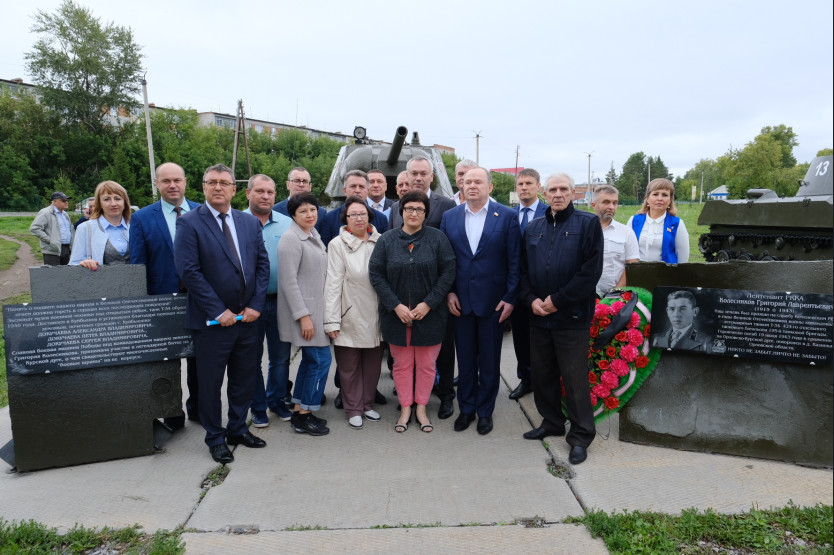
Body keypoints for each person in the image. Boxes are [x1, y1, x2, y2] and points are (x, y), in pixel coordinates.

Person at [174, 163, 270, 464]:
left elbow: (262, 266)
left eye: (224, 183)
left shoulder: (249, 223)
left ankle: (238, 428)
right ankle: (215, 437)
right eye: (212, 182)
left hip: (247, 319)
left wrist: (255, 305)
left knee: (244, 379)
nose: (218, 187)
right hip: (212, 322)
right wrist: (219, 310)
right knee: (210, 384)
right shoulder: (189, 222)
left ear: (233, 189)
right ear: (203, 187)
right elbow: (189, 272)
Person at [519, 172, 603, 465]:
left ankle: (580, 436)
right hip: (539, 315)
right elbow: (523, 271)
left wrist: (557, 301)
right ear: (544, 193)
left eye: (563, 189)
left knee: (574, 377)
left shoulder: (587, 223)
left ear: (572, 193)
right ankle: (551, 422)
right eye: (552, 189)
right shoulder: (534, 227)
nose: (557, 193)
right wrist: (532, 300)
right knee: (542, 374)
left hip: (572, 316)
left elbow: (590, 272)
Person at [441, 167, 520, 436]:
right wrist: (449, 292)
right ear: (460, 186)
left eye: (478, 181)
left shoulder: (507, 217)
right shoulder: (449, 217)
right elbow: (446, 261)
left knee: (488, 361)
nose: (471, 185)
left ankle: (485, 411)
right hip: (460, 302)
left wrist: (510, 297)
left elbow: (514, 261)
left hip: (493, 303)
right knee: (464, 360)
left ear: (490, 186)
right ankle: (466, 409)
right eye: (467, 181)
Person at [369, 191, 456, 433]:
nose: (414, 213)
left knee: (427, 365)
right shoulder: (386, 240)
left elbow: (448, 271)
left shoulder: (438, 239)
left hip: (431, 315)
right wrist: (395, 305)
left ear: (426, 214)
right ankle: (406, 407)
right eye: (409, 209)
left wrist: (428, 303)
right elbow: (376, 274)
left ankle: (421, 407)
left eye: (419, 209)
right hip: (396, 316)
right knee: (402, 365)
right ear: (401, 211)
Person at [130, 162, 201, 430]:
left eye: (177, 180)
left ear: (185, 182)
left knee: (199, 359)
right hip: (162, 300)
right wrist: (144, 305)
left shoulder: (202, 211)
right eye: (166, 181)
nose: (173, 185)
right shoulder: (143, 218)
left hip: (200, 299)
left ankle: (198, 409)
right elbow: (138, 264)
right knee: (168, 359)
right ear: (157, 184)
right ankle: (173, 413)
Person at [389, 156, 458, 420]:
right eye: (414, 173)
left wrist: (444, 292)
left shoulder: (447, 205)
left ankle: (446, 395)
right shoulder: (397, 207)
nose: (418, 177)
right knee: (405, 353)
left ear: (432, 176)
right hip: (402, 295)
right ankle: (410, 399)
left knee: (439, 352)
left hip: (435, 295)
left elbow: (451, 252)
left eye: (423, 173)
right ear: (406, 176)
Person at [324, 196, 384, 429]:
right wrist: (331, 320)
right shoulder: (337, 245)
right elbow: (332, 284)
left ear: (369, 216)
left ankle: (368, 404)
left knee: (373, 365)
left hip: (377, 314)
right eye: (353, 214)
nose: (359, 218)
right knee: (349, 367)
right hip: (349, 313)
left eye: (362, 213)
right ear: (345, 219)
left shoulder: (381, 241)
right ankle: (353, 408)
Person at [277, 192, 332, 436]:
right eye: (303, 211)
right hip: (306, 313)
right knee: (320, 361)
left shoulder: (313, 234)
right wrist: (303, 316)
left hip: (317, 311)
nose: (310, 215)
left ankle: (300, 408)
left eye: (313, 209)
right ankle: (304, 415)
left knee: (312, 362)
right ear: (293, 215)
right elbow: (288, 282)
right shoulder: (291, 239)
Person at [243, 174, 294, 426]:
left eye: (270, 192)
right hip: (248, 304)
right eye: (260, 191)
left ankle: (277, 401)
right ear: (247, 193)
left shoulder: (288, 224)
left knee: (280, 357)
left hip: (281, 301)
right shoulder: (235, 222)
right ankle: (258, 406)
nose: (265, 196)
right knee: (251, 359)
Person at [509, 168, 548, 401]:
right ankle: (526, 378)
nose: (524, 188)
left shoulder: (549, 211)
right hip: (518, 287)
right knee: (521, 337)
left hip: (542, 287)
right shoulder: (508, 214)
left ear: (538, 186)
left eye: (529, 183)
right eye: (521, 184)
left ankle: (544, 381)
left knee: (543, 339)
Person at [70, 181, 131, 270]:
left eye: (117, 198)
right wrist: (83, 263)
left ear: (125, 202)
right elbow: (73, 264)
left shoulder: (135, 226)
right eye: (107, 199)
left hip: (134, 282)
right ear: (100, 204)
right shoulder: (85, 228)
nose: (113, 203)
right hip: (100, 282)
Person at [627, 178, 689, 263]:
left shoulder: (677, 224)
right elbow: (626, 250)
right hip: (638, 273)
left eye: (665, 195)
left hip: (666, 274)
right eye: (655, 194)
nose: (660, 198)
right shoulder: (634, 221)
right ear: (647, 198)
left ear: (670, 200)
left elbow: (683, 258)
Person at [319, 170, 388, 246]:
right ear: (345, 190)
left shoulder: (381, 219)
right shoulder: (330, 218)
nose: (357, 190)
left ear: (367, 190)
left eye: (361, 187)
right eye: (353, 186)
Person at [593, 184, 639, 297]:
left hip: (616, 297)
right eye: (606, 202)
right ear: (594, 205)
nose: (611, 207)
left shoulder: (626, 233)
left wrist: (614, 294)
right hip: (586, 296)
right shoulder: (582, 230)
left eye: (615, 203)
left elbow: (631, 266)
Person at [273, 167, 326, 234]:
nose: (301, 185)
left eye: (305, 181)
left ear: (310, 186)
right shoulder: (275, 211)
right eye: (297, 181)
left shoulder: (321, 213)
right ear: (288, 185)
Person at [30, 191, 75, 265]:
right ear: (54, 201)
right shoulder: (46, 212)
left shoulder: (65, 214)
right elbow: (34, 228)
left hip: (66, 250)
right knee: (53, 275)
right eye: (63, 200)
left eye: (67, 200)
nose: (66, 202)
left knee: (65, 275)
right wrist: (50, 241)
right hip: (52, 251)